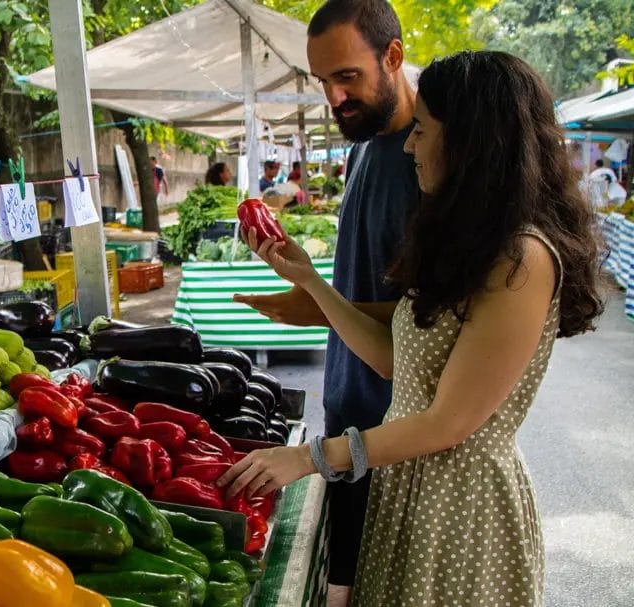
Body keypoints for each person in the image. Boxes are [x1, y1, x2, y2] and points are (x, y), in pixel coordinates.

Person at [222, 50, 603, 606]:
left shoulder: (521, 260)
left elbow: (447, 422)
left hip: (461, 511)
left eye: (422, 129)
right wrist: (311, 282)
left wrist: (307, 458)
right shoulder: (466, 240)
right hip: (410, 490)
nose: (409, 144)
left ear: (472, 143)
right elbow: (394, 359)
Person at [235, 2, 419, 603]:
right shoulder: (365, 145)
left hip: (399, 435)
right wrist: (309, 292)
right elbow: (368, 286)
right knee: (343, 585)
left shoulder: (433, 163)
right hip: (347, 409)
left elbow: (431, 325)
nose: (335, 98)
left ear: (393, 57)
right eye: (323, 82)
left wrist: (318, 300)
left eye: (348, 77)